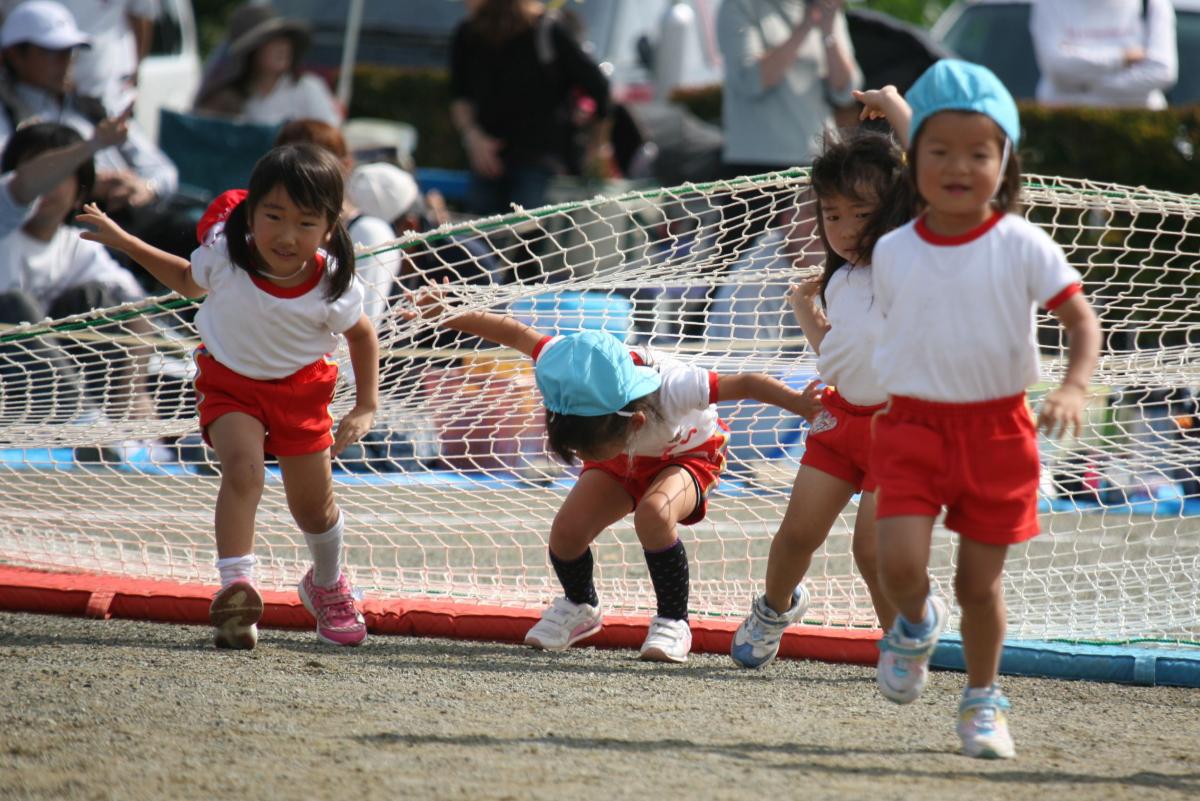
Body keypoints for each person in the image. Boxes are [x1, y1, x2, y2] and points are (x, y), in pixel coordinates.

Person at [867, 60, 1100, 759]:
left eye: (979, 151)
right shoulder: (891, 250)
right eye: (939, 151)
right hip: (910, 426)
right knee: (898, 565)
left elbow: (1083, 324)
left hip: (999, 430)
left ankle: (982, 699)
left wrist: (1074, 386)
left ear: (1006, 160)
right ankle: (912, 624)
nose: (958, 165)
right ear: (913, 160)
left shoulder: (1024, 243)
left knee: (979, 583)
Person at [404, 292, 820, 663]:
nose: (580, 461)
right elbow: (514, 333)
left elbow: (747, 382)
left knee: (654, 515)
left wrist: (799, 404)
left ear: (635, 423)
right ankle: (580, 606)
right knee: (567, 531)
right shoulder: (569, 367)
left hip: (690, 455)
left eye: (586, 453)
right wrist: (447, 314)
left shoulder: (674, 386)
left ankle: (674, 622)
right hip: (622, 460)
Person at [77, 144, 380, 650]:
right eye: (273, 216)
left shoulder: (332, 281)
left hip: (302, 391)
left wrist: (366, 405)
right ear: (251, 213)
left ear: (329, 228)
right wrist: (125, 240)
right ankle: (236, 591)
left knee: (314, 509)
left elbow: (362, 336)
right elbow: (184, 281)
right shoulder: (226, 255)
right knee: (243, 471)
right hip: (229, 382)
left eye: (306, 223)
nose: (286, 235)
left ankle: (326, 584)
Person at [730, 86, 918, 669]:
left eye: (861, 214)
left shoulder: (911, 259)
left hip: (902, 430)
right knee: (794, 537)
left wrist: (897, 110)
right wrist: (807, 317)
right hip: (841, 420)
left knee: (871, 548)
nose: (843, 227)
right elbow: (842, 350)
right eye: (831, 214)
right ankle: (774, 608)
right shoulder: (837, 279)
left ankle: (899, 644)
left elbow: (932, 181)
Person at [0, 119, 159, 432]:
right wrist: (92, 145)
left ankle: (116, 430)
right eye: (42, 170)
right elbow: (24, 185)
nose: (47, 186)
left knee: (96, 300)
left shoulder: (80, 246)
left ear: (78, 193)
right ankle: (84, 422)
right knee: (15, 307)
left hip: (52, 391)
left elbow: (138, 308)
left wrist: (135, 391)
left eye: (61, 176)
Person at [449, 0, 610, 218]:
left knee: (529, 239)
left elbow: (599, 87)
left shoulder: (546, 30)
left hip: (540, 165)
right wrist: (473, 138)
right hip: (486, 162)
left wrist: (595, 147)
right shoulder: (467, 33)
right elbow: (460, 96)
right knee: (480, 243)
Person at [273, 119, 397, 327]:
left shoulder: (370, 233)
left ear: (346, 165)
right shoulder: (268, 229)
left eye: (312, 165)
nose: (298, 176)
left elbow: (362, 325)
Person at [193, 3, 341, 128]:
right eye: (272, 41)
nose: (283, 47)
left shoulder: (307, 88)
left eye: (285, 40)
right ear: (252, 51)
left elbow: (329, 139)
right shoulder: (228, 99)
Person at [1030, 0, 1178, 110]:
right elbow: (1056, 66)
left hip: (1140, 133)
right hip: (1064, 132)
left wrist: (1082, 84)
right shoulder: (1049, 3)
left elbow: (1163, 72)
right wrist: (1123, 58)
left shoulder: (1152, 3)